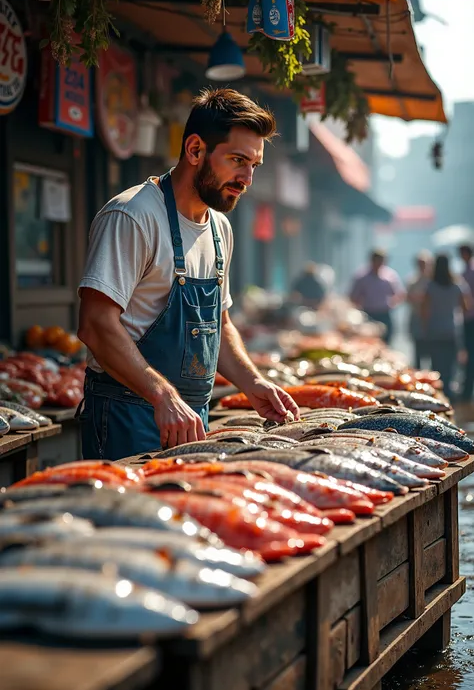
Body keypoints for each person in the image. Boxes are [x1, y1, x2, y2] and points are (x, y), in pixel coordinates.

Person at [77, 88, 299, 460]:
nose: (247, 178)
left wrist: (252, 382)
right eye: (237, 160)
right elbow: (95, 324)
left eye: (254, 166)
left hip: (192, 417)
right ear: (195, 150)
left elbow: (220, 323)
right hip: (127, 415)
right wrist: (163, 395)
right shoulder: (132, 216)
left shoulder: (220, 228)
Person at [420, 253, 470, 401]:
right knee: (451, 365)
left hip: (434, 329)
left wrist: (425, 328)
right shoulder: (457, 284)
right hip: (451, 329)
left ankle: (438, 394)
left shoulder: (430, 285)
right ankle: (450, 394)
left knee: (436, 365)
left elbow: (424, 311)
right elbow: (466, 307)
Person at [349, 249, 405, 344]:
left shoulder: (390, 276)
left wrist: (392, 303)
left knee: (386, 343)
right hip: (368, 314)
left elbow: (400, 294)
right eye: (377, 260)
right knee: (369, 343)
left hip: (385, 314)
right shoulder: (362, 277)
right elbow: (353, 296)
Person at [406, 250, 432, 368]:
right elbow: (408, 299)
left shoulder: (433, 281)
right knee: (418, 353)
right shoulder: (412, 281)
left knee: (432, 352)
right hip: (417, 319)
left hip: (431, 321)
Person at [458, 244, 474, 401]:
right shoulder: (465, 272)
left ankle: (467, 390)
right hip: (468, 318)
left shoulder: (467, 273)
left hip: (470, 318)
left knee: (469, 354)